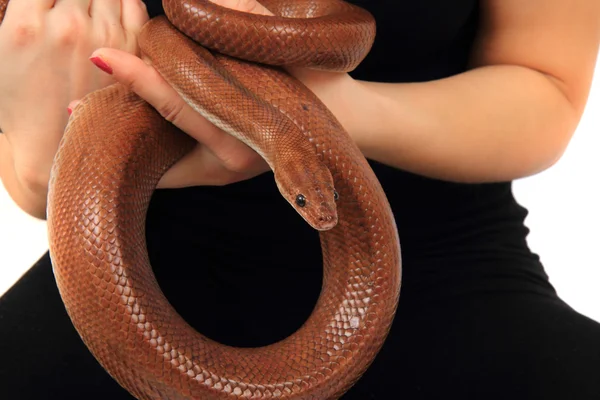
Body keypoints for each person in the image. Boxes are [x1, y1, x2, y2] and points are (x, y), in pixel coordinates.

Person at [0, 0, 599, 398]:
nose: (320, 215)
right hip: (115, 283)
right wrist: (45, 171)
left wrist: (332, 115)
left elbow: (546, 83)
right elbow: (25, 166)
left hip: (454, 275)